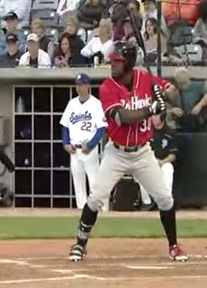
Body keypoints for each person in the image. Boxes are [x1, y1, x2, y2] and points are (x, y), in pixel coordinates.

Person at [68, 41, 187, 262]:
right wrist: (151, 108)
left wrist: (165, 94)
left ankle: (173, 246)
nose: (112, 64)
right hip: (117, 153)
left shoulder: (145, 78)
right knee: (95, 199)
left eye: (118, 61)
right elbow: (121, 118)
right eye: (112, 60)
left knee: (164, 199)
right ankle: (80, 243)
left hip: (143, 152)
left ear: (129, 63)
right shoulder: (107, 87)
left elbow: (173, 93)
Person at [60, 73, 108, 211]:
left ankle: (101, 211)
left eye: (81, 84)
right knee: (78, 183)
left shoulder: (96, 104)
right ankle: (81, 211)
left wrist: (92, 145)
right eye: (77, 85)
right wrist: (65, 143)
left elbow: (101, 129)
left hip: (89, 149)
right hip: (74, 149)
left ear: (88, 86)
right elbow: (65, 126)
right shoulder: (72, 103)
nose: (78, 87)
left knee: (94, 182)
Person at [138, 112, 177, 209]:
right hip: (149, 162)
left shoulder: (170, 132)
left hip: (164, 162)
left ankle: (166, 201)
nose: (153, 118)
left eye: (156, 115)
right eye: (152, 115)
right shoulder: (147, 131)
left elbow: (173, 155)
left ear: (162, 116)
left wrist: (162, 162)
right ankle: (147, 203)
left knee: (168, 168)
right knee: (140, 170)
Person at [170, 67, 207, 133]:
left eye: (185, 82)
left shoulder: (198, 85)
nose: (183, 85)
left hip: (199, 124)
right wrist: (173, 110)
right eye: (181, 83)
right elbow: (165, 104)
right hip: (183, 125)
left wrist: (200, 105)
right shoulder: (173, 90)